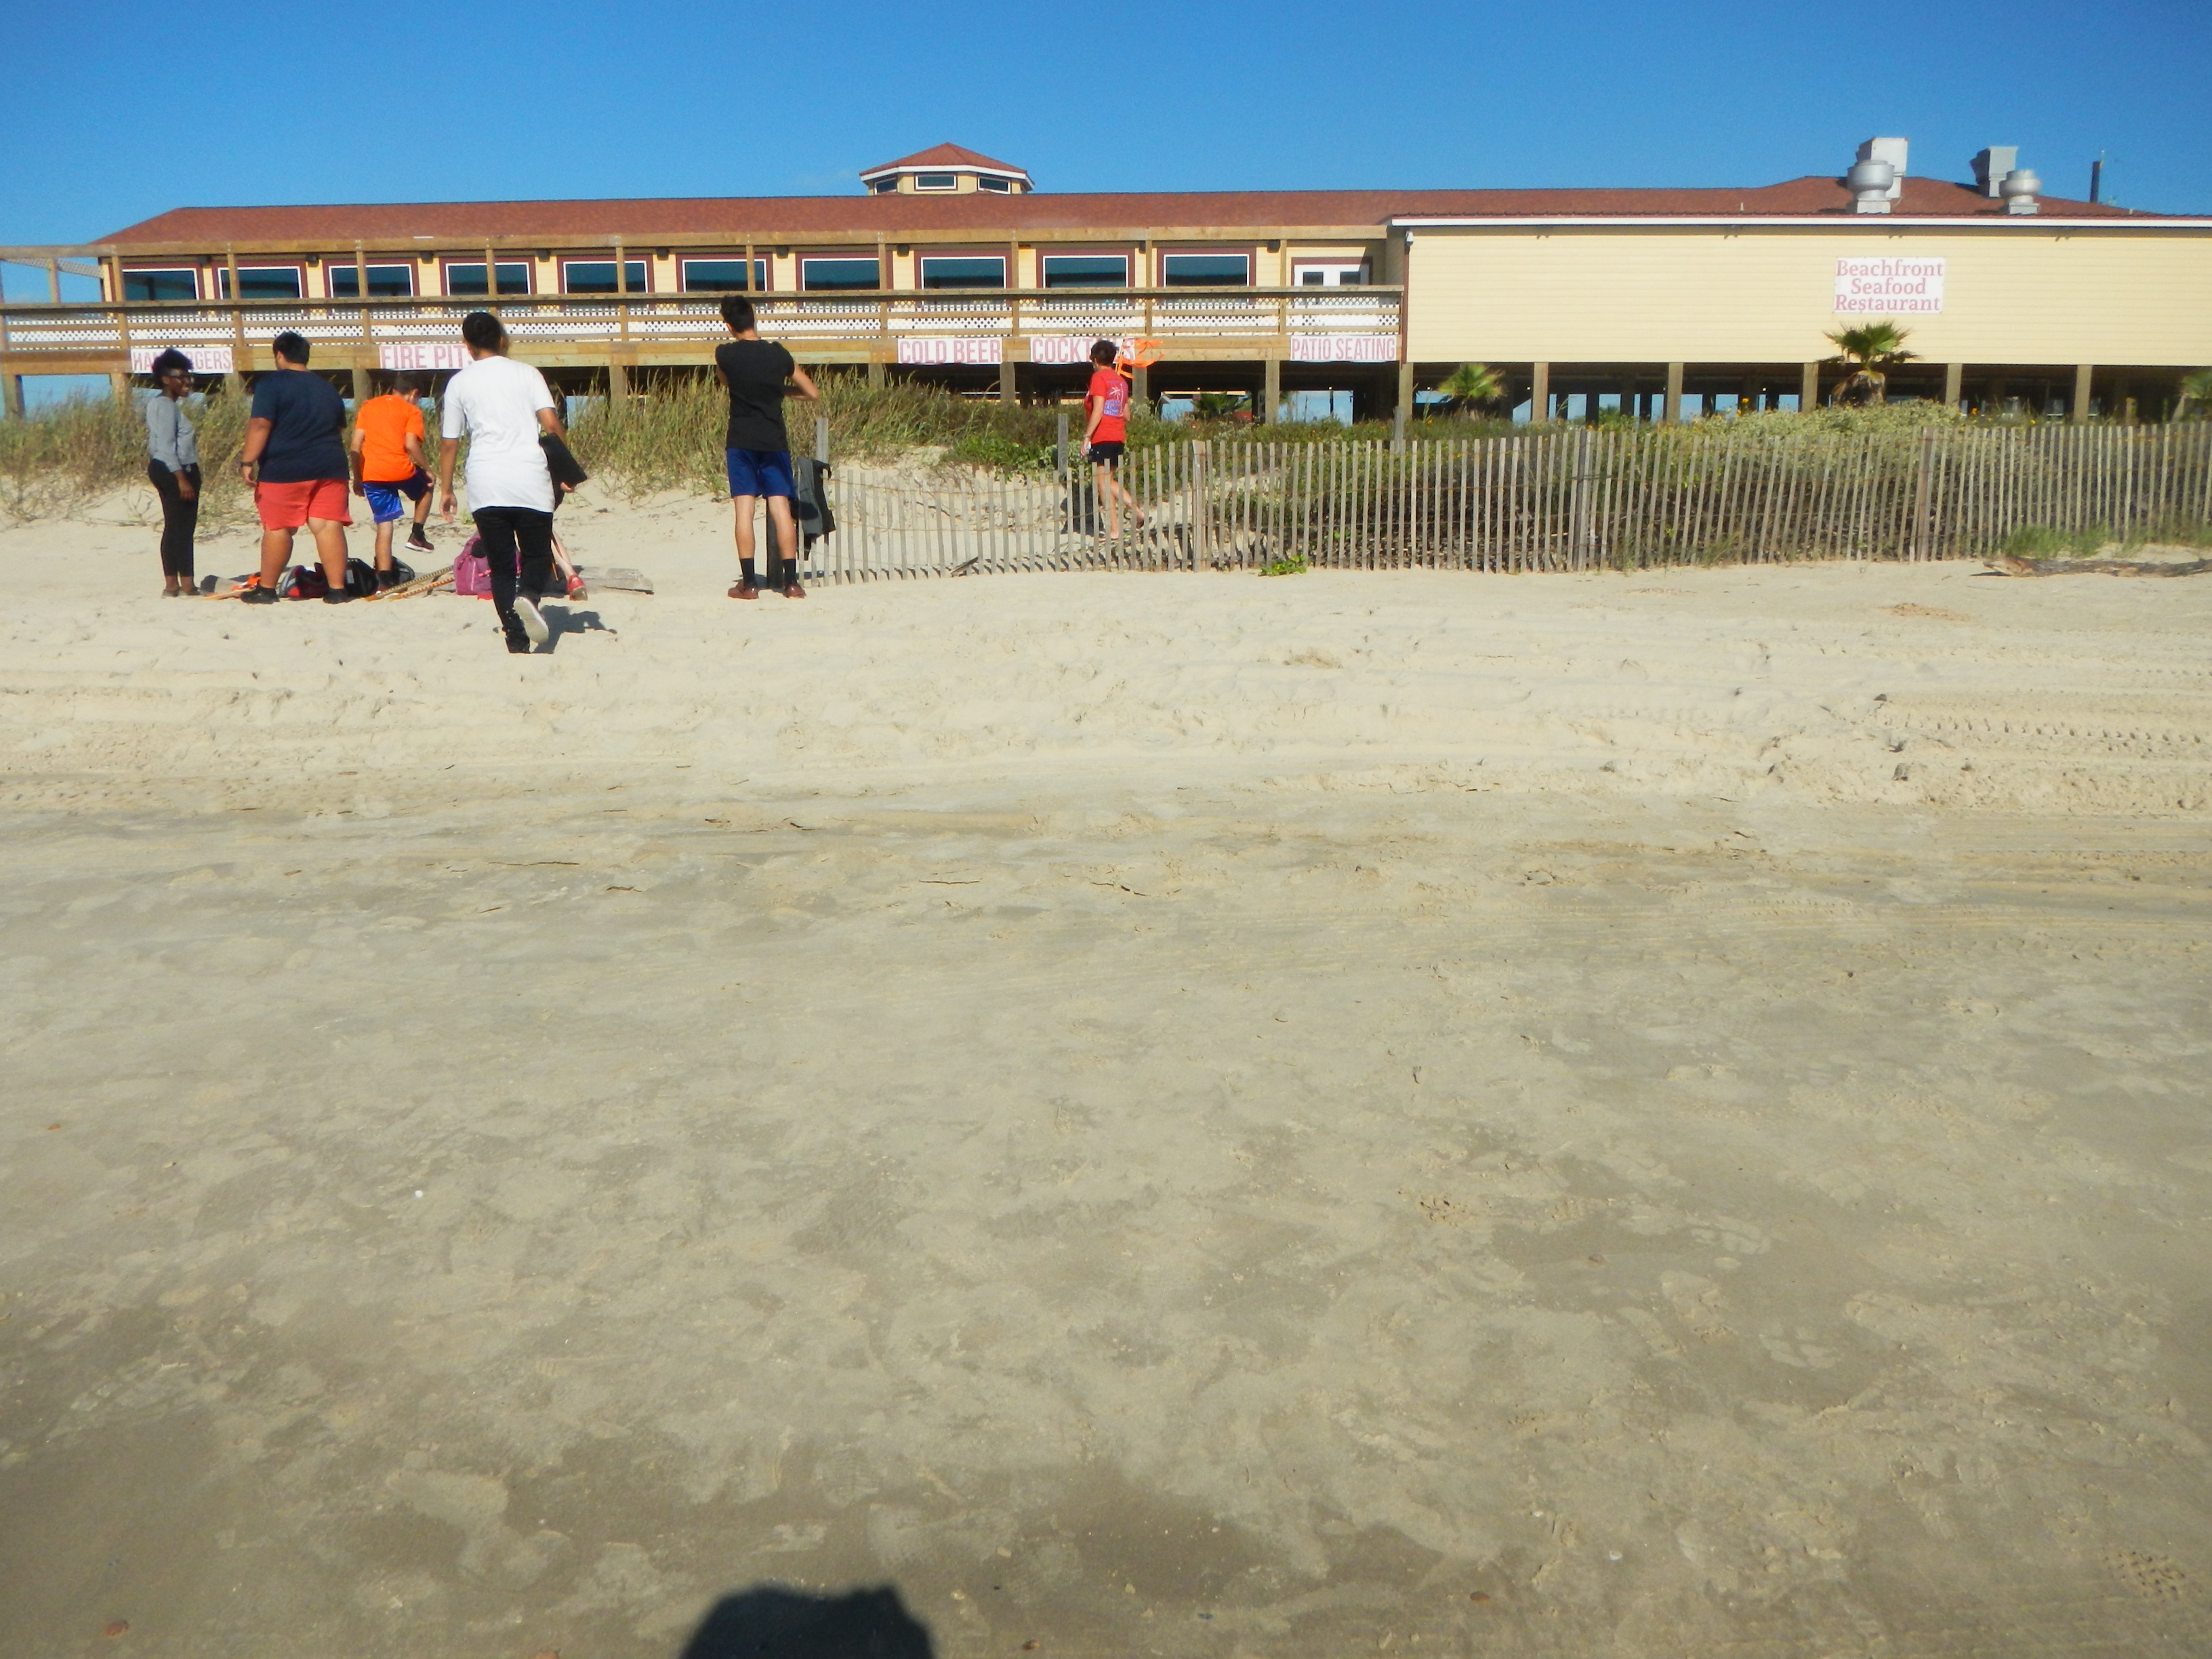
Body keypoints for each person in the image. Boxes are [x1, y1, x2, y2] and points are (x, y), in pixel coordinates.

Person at [436, 311, 565, 654]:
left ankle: (516, 637)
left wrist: (446, 489)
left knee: (502, 563)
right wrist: (564, 468)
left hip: (486, 481)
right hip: (528, 477)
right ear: (502, 339)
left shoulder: (459, 383)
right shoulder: (528, 374)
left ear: (467, 345)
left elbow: (450, 442)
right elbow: (551, 425)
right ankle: (530, 596)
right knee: (537, 554)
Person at [713, 294, 819, 600]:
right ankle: (791, 583)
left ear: (729, 324)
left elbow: (725, 382)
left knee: (744, 511)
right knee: (781, 509)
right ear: (754, 318)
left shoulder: (725, 355)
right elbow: (811, 392)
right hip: (773, 440)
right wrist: (780, 391)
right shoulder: (778, 355)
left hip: (741, 440)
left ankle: (748, 583)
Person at [236, 331, 352, 605]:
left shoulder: (271, 385)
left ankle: (266, 589)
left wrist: (247, 460)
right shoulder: (328, 389)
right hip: (330, 466)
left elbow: (261, 425)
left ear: (280, 355)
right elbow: (337, 427)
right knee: (327, 525)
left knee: (279, 527)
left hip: (285, 468)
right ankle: (337, 590)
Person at [349, 371, 436, 585]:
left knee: (384, 524)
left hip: (372, 473)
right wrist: (427, 468)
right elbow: (410, 444)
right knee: (427, 487)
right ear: (414, 393)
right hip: (399, 469)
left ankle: (384, 580)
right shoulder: (411, 411)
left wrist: (358, 477)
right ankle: (417, 533)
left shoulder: (369, 406)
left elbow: (355, 445)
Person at [142, 348, 201, 596]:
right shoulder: (164, 406)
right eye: (181, 377)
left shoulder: (166, 406)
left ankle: (176, 584)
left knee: (177, 527)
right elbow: (166, 447)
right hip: (173, 469)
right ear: (166, 379)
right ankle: (182, 584)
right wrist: (182, 479)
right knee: (181, 528)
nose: (187, 382)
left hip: (172, 468)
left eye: (189, 377)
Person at [1083, 340, 1144, 538]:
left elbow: (1099, 409)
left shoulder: (1099, 378)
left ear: (1094, 359)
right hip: (1119, 435)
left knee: (1103, 483)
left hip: (1103, 435)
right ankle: (1115, 528)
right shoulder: (1120, 381)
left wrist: (1087, 436)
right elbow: (1127, 415)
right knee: (1107, 480)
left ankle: (1134, 511)